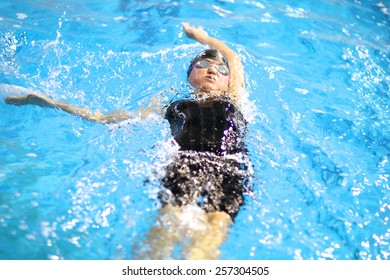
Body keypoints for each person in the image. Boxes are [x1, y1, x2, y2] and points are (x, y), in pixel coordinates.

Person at [4, 23, 253, 260]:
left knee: (215, 226)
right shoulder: (172, 105)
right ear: (189, 74)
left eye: (221, 69)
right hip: (184, 162)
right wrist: (50, 103)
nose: (213, 70)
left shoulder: (234, 99)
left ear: (229, 80)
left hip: (230, 165)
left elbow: (234, 58)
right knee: (169, 220)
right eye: (203, 64)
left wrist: (202, 37)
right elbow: (105, 118)